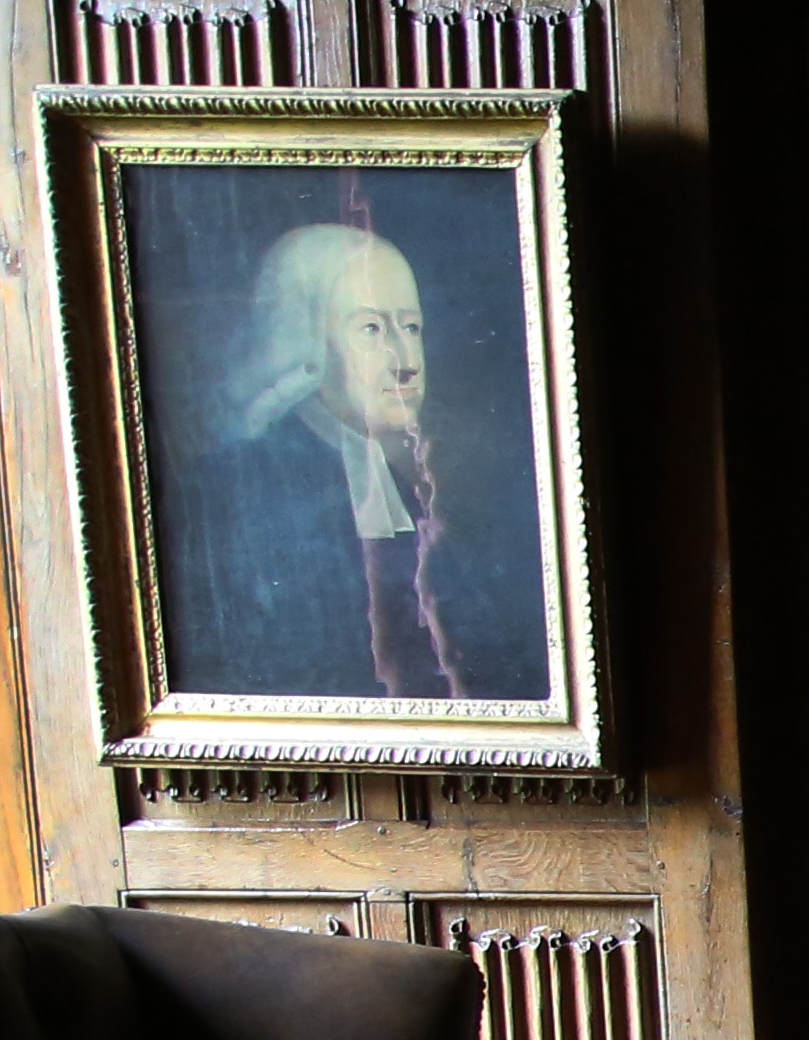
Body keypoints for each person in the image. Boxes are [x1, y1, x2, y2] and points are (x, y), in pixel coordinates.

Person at [160, 217, 542, 702]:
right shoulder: (230, 488)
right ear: (305, 342)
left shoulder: (394, 483)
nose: (406, 361)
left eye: (411, 326)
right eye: (372, 328)